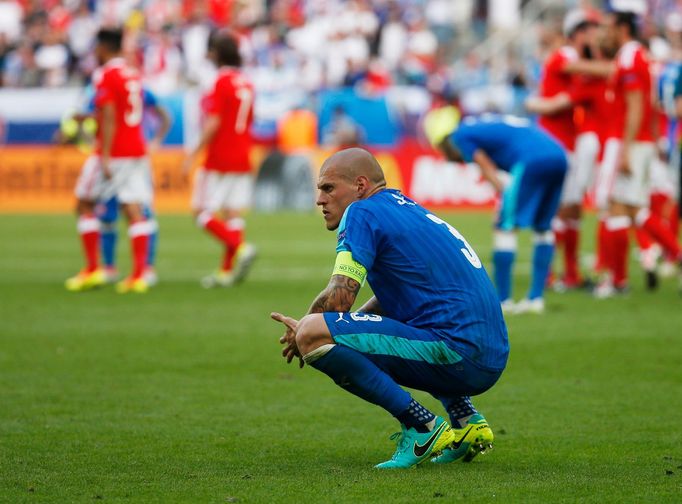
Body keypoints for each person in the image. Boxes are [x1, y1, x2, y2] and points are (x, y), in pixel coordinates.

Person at [271, 148, 509, 469]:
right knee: (405, 317)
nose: (320, 200)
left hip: (458, 353)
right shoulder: (408, 209)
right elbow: (400, 297)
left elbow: (340, 299)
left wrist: (304, 329)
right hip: (490, 353)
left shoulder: (362, 212)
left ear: (359, 186)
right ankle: (465, 420)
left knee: (314, 335)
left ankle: (421, 426)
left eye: (328, 188)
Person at [439, 114, 568, 314]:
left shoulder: (461, 136)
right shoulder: (482, 125)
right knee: (543, 227)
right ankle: (536, 299)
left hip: (532, 159)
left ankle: (503, 300)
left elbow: (485, 166)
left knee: (504, 226)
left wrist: (504, 201)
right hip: (559, 155)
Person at [594, 10, 682, 298]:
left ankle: (620, 280)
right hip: (637, 140)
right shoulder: (637, 56)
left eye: (608, 26)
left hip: (626, 139)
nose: (605, 32)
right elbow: (651, 103)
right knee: (629, 209)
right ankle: (619, 279)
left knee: (621, 208)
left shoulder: (631, 57)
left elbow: (635, 104)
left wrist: (627, 148)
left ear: (622, 28)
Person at [65, 28, 155, 294]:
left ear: (104, 47)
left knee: (83, 203)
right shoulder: (133, 74)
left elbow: (109, 113)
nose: (94, 52)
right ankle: (139, 275)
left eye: (96, 46)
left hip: (113, 152)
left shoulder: (105, 74)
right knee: (133, 209)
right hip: (136, 149)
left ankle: (93, 269)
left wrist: (103, 153)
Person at [182, 29, 257, 288]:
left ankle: (241, 247)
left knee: (201, 212)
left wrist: (192, 154)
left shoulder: (220, 81)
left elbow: (214, 122)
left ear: (215, 53)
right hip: (242, 154)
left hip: (220, 155)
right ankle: (225, 272)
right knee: (232, 213)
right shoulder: (246, 82)